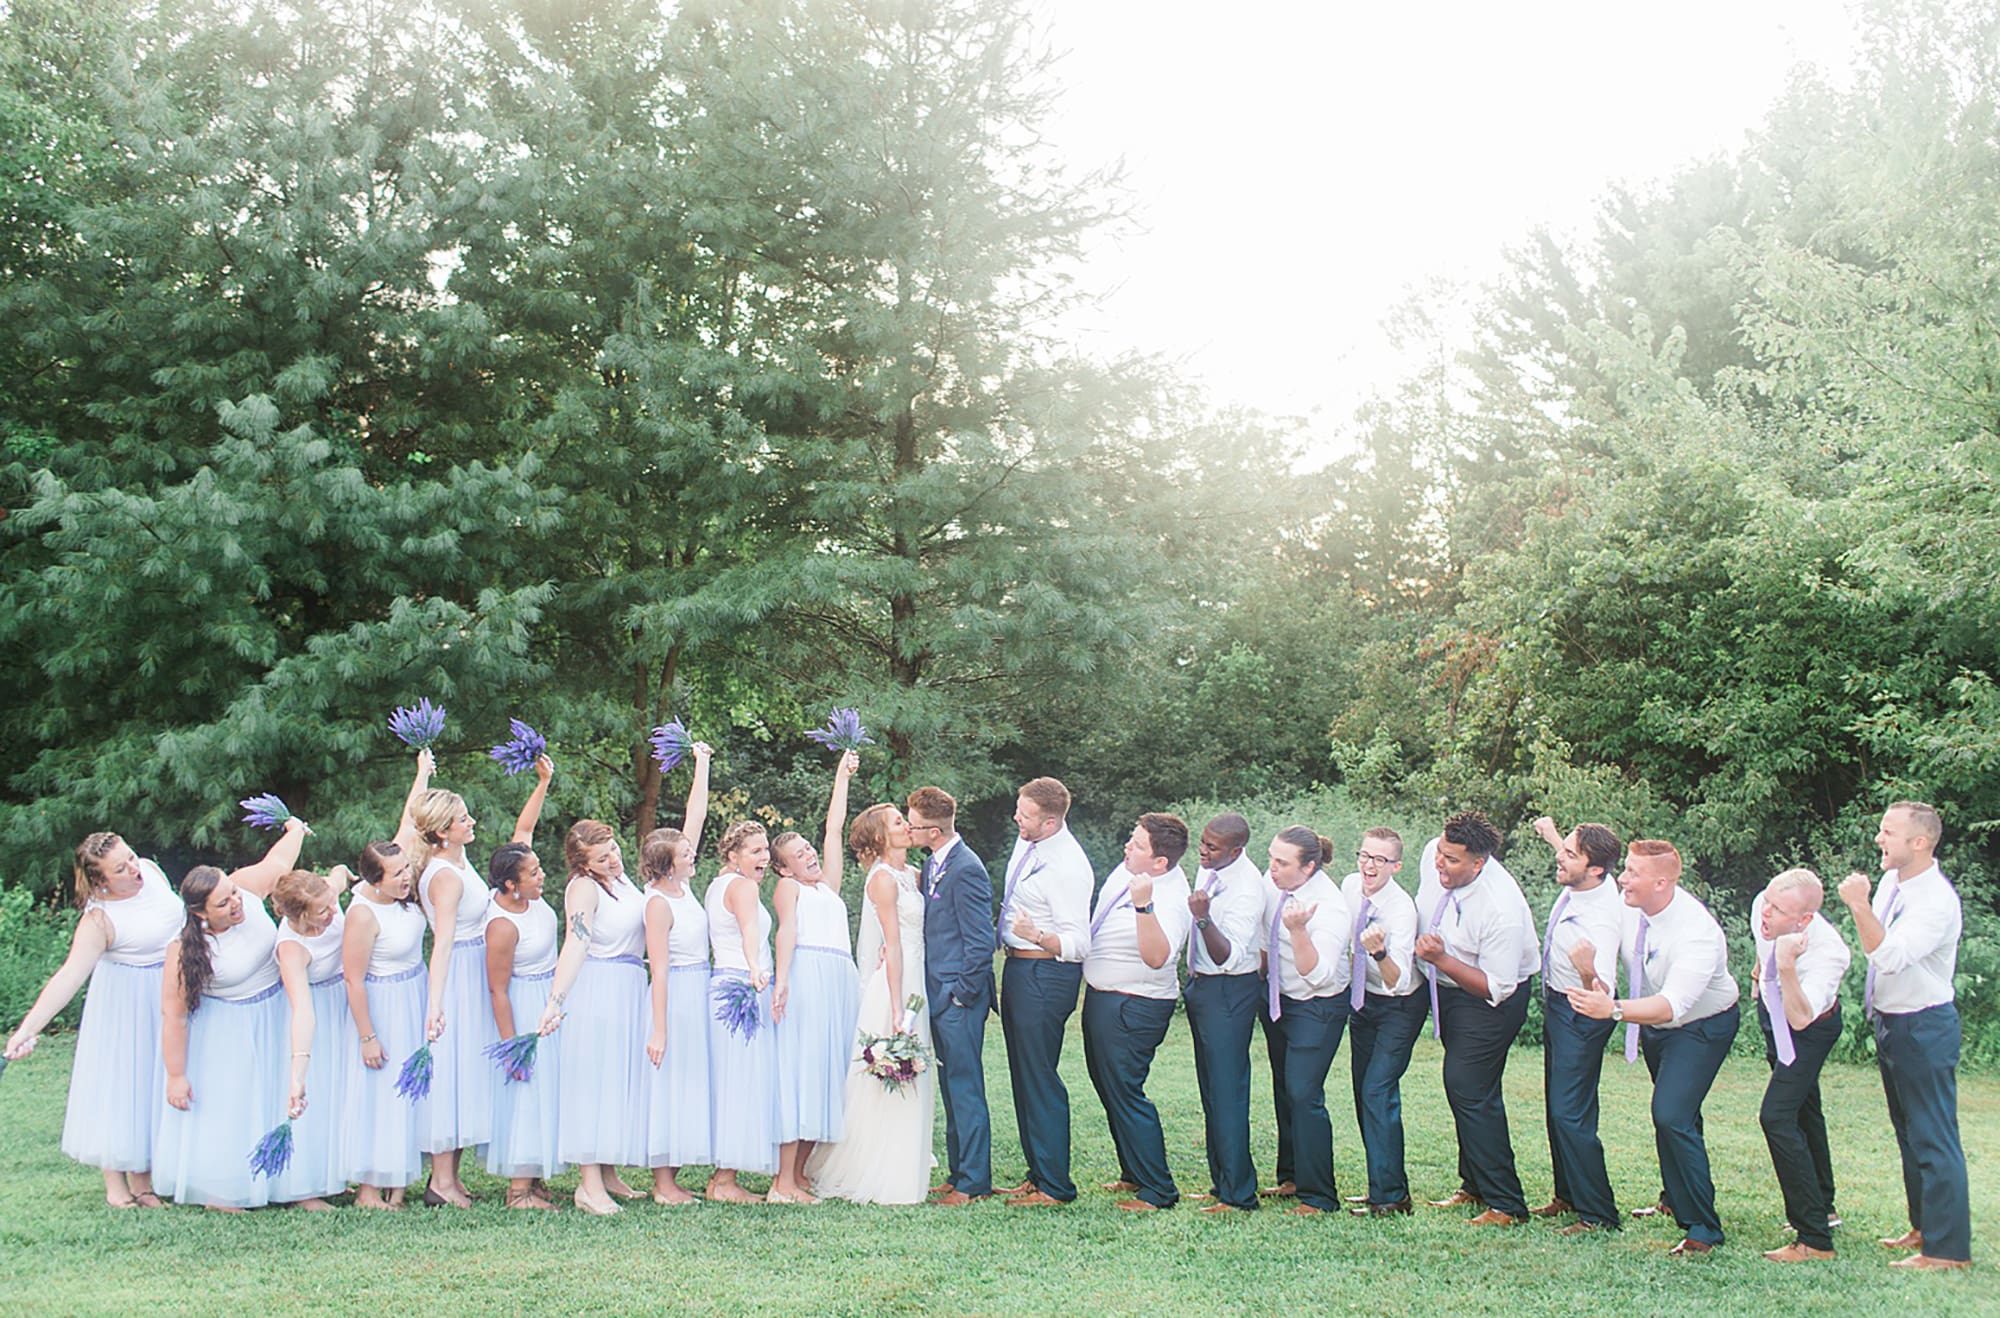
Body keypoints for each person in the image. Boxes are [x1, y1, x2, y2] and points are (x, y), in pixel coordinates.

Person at [4, 824, 294, 1207]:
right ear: (100, 881)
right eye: (120, 869)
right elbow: (70, 975)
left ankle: (147, 1180)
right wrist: (28, 1029)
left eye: (130, 857)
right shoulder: (98, 920)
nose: (133, 868)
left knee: (161, 1083)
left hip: (177, 985)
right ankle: (117, 1183)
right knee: (126, 1085)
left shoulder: (150, 871)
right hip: (129, 1002)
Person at [1566, 838, 1739, 1257]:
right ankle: (1674, 1198)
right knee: (1678, 1115)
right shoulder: (1628, 908)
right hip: (1654, 1024)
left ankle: (1703, 1229)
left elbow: (1672, 1005)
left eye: (1633, 873)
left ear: (1662, 883)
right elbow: (1610, 977)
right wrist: (1590, 974)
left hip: (1701, 1027)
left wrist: (1613, 1010)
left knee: (1671, 1114)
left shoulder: (1697, 932)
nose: (1622, 878)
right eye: (1625, 869)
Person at [408, 752, 553, 1206]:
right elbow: (443, 942)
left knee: (468, 1071)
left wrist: (542, 784)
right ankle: (441, 1181)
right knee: (452, 1070)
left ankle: (452, 1177)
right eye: (461, 819)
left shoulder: (458, 859)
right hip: (459, 976)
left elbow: (521, 836)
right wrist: (436, 1004)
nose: (470, 822)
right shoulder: (444, 877)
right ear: (441, 832)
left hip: (477, 965)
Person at [1836, 801, 1971, 1271]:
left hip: (1924, 1025)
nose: (1879, 838)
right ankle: (1923, 1226)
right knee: (1909, 1133)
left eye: (1889, 832)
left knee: (1933, 1135)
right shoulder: (1894, 882)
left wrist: (1858, 904)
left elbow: (1889, 957)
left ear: (1920, 842)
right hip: (1892, 1020)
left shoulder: (1935, 900)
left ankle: (1947, 1250)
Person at [154, 843, 305, 1210]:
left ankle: (289, 1184)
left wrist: (295, 830)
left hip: (276, 1013)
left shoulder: (246, 891)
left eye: (233, 893)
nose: (236, 903)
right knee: (233, 1108)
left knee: (279, 1099)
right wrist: (176, 1075)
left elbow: (278, 861)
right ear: (200, 913)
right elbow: (174, 1015)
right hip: (229, 1030)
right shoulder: (185, 949)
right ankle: (223, 1190)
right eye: (223, 903)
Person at [805, 801, 936, 1203]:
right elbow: (891, 945)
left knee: (916, 1073)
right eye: (898, 822)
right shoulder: (881, 880)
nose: (907, 826)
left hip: (919, 974)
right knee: (891, 1072)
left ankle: (906, 1158)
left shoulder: (913, 875)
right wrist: (896, 1008)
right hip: (898, 981)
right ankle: (880, 1169)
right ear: (881, 837)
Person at [1414, 810, 1538, 1226]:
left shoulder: (1500, 908)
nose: (1439, 863)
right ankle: (1474, 1185)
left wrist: (1441, 959)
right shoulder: (1436, 854)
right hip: (1449, 992)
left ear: (1479, 863)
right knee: (1468, 1089)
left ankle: (1507, 1203)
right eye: (1440, 852)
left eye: (1451, 860)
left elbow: (1497, 987)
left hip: (1490, 1001)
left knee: (1469, 1087)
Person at [1079, 813, 1194, 1212]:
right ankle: (1132, 1171)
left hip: (1135, 1004)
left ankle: (1158, 1189)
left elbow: (1158, 957)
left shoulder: (1170, 898)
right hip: (1105, 996)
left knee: (1127, 1091)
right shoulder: (1130, 869)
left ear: (1160, 862)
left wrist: (1144, 907)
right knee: (1108, 1087)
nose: (1128, 846)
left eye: (1138, 844)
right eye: (1132, 838)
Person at [539, 820, 649, 1214]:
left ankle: (608, 1173)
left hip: (629, 986)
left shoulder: (620, 882)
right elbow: (577, 941)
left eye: (613, 850)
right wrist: (556, 1000)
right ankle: (588, 1185)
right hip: (599, 989)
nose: (613, 860)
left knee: (616, 1080)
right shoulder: (584, 887)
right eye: (602, 858)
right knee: (593, 1083)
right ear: (584, 864)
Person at [994, 776, 1093, 1205]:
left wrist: (1036, 935)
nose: (1016, 818)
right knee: (1023, 1075)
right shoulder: (1029, 843)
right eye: (1019, 810)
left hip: (1045, 974)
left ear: (1050, 822)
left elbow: (1079, 943)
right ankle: (1037, 1173)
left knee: (1039, 1077)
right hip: (1020, 969)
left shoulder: (1068, 866)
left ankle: (1055, 1185)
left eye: (1026, 815)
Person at [770, 751, 863, 1203]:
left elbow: (834, 830)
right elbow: (786, 931)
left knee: (828, 1072)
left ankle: (800, 1173)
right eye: (798, 855)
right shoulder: (789, 888)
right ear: (783, 868)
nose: (809, 855)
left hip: (840, 978)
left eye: (808, 849)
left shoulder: (827, 886)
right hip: (807, 976)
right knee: (803, 1073)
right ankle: (782, 1182)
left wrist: (842, 776)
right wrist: (782, 980)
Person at [1529, 816, 1625, 1234]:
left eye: (1570, 854)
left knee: (1571, 1112)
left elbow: (1602, 992)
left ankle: (1599, 1214)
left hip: (1581, 1012)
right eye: (1564, 850)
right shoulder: (1589, 880)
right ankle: (1567, 1195)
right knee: (1557, 1107)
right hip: (1559, 1005)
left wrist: (1587, 970)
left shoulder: (1600, 919)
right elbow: (1569, 857)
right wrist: (1553, 835)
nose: (1560, 858)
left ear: (1596, 869)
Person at [1752, 867, 1850, 1262]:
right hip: (1772, 1012)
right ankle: (1824, 1207)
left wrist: (1786, 966)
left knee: (1776, 1116)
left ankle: (1814, 1240)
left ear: (1804, 920)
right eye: (1767, 902)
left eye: (1777, 910)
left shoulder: (1829, 953)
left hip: (1809, 1026)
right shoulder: (1764, 906)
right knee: (1804, 1109)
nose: (1766, 912)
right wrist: (1761, 975)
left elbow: (1801, 1018)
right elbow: (1762, 949)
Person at [1259, 827, 1354, 1217]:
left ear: (1309, 867)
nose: (1272, 868)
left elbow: (1319, 975)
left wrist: (1298, 931)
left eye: (1282, 863)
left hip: (1318, 1006)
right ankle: (1292, 1177)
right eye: (1271, 858)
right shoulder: (1275, 883)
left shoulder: (1329, 907)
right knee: (1285, 1088)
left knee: (1304, 1092)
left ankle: (1319, 1196)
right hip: (1280, 1000)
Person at [910, 785, 995, 1205]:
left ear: (933, 831)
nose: (908, 831)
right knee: (951, 1085)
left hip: (958, 997)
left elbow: (981, 941)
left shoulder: (966, 868)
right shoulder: (933, 864)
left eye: (913, 826)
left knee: (965, 1087)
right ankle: (958, 1171)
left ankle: (974, 1182)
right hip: (938, 993)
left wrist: (961, 994)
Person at [1181, 812, 1267, 1214]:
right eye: (1203, 841)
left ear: (1236, 851)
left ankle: (1239, 1194)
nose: (1202, 850)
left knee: (1228, 1092)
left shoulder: (1247, 888)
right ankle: (1221, 1182)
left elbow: (1228, 955)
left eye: (1212, 847)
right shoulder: (1212, 869)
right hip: (1203, 986)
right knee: (1211, 1090)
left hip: (1229, 990)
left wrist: (1202, 917)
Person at [641, 740, 714, 1205]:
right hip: (676, 994)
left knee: (690, 1081)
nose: (693, 856)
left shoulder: (682, 889)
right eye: (685, 855)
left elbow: (696, 817)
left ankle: (675, 1176)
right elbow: (660, 970)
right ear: (667, 866)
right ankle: (663, 1183)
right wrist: (660, 1029)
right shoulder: (657, 903)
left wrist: (701, 764)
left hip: (699, 985)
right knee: (670, 1082)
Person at [1340, 826, 1425, 1217]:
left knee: (1377, 1090)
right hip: (1363, 1001)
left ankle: (1391, 1198)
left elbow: (1399, 980)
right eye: (1364, 855)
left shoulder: (1400, 909)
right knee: (1363, 1091)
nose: (1369, 865)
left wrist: (1379, 953)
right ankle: (1383, 1184)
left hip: (1399, 1005)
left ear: (1396, 866)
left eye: (1379, 859)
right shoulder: (1349, 886)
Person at [341, 840, 430, 1209]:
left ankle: (398, 1180)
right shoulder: (363, 915)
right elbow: (353, 979)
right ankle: (369, 1189)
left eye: (406, 868)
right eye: (397, 874)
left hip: (414, 994)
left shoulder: (403, 899)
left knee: (408, 1091)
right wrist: (368, 1037)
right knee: (380, 1096)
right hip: (384, 1005)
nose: (406, 877)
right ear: (374, 880)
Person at [700, 819, 783, 1204]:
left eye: (766, 849)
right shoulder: (744, 887)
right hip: (743, 986)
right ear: (733, 855)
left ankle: (723, 1174)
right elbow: (750, 930)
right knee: (741, 1080)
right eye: (755, 850)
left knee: (731, 1079)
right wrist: (755, 968)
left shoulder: (718, 884)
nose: (765, 856)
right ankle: (724, 1180)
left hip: (723, 981)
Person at [484, 840, 565, 1209]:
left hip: (548, 998)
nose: (542, 875)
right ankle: (518, 1190)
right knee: (527, 1093)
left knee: (547, 1090)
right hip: (524, 1005)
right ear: (510, 884)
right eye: (533, 873)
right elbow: (497, 990)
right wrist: (512, 1046)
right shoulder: (502, 926)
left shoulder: (535, 902)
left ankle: (535, 1179)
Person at [270, 865, 354, 1209]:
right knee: (313, 1097)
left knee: (340, 1095)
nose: (333, 911)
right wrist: (298, 1072)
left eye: (332, 903)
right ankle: (302, 1190)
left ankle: (333, 1175)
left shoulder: (325, 894)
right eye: (323, 911)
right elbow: (302, 1010)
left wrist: (347, 876)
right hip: (313, 1016)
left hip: (342, 1004)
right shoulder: (292, 948)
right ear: (301, 916)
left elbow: (339, 874)